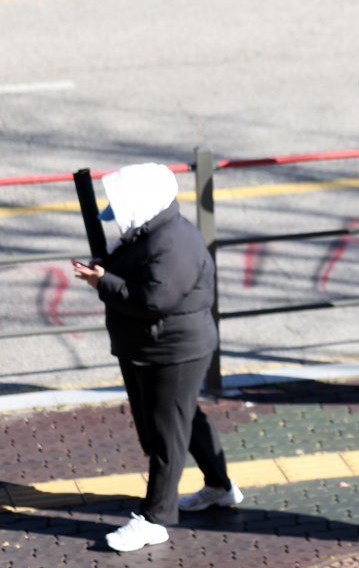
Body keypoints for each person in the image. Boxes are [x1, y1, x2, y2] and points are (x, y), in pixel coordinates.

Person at [72, 163, 243, 553]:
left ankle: (154, 519)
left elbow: (154, 299)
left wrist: (103, 282)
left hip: (174, 351)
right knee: (184, 419)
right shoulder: (150, 230)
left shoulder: (174, 243)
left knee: (166, 433)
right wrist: (105, 272)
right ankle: (220, 487)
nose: (115, 219)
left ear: (141, 202)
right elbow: (134, 275)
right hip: (153, 348)